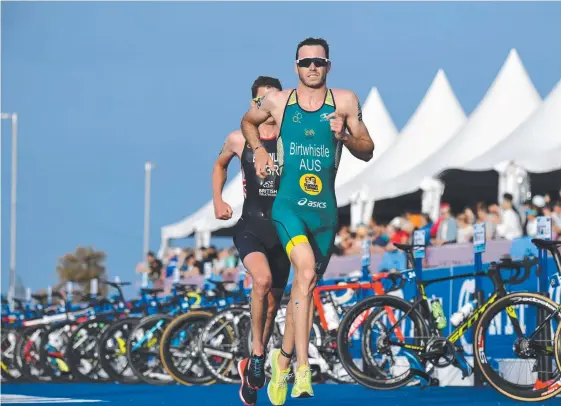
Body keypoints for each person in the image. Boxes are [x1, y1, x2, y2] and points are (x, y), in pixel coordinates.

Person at [240, 37, 374, 404]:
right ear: (295, 67)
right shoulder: (278, 101)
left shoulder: (345, 101)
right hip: (289, 207)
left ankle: (280, 361)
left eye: (319, 61)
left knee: (306, 283)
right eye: (305, 62)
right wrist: (258, 153)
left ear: (328, 65)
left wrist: (344, 135)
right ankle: (303, 370)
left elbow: (368, 150)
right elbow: (248, 121)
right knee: (303, 270)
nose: (312, 67)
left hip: (325, 212)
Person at [212, 76, 290, 406]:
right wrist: (217, 199)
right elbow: (219, 165)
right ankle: (257, 352)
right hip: (251, 228)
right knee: (261, 280)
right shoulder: (238, 139)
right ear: (252, 104)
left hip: (284, 231)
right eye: (261, 101)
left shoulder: (291, 140)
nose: (267, 106)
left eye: (274, 99)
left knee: (272, 306)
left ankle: (251, 367)